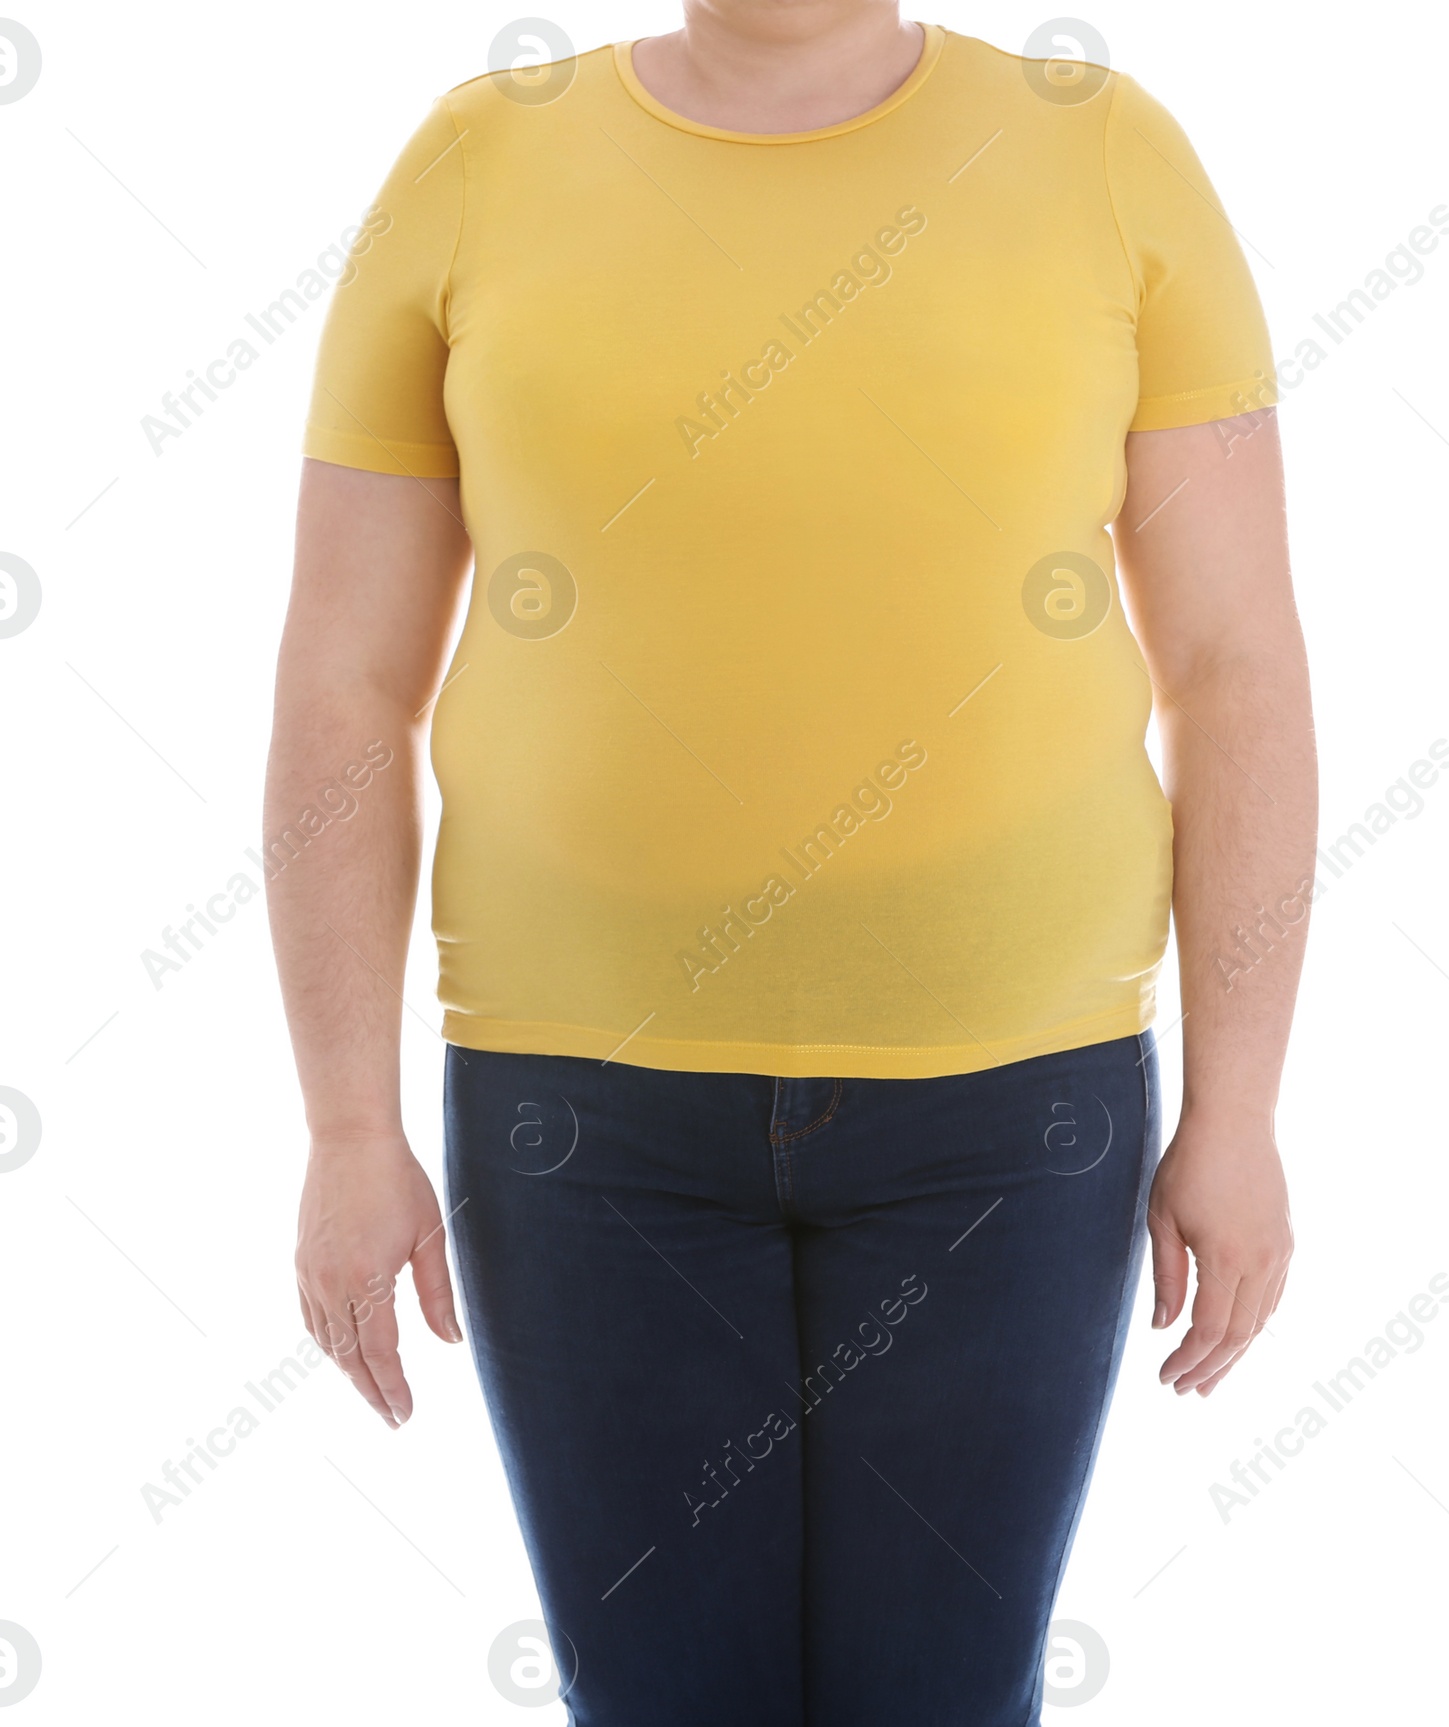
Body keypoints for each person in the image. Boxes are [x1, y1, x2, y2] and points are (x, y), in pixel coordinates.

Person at [267, 5, 1314, 1723]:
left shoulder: (1101, 151)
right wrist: (341, 1126)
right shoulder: (477, 162)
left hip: (1014, 1110)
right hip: (578, 1115)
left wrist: (1242, 1108)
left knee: (945, 1700)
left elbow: (1239, 665)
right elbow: (341, 674)